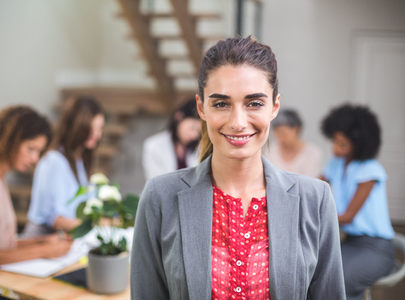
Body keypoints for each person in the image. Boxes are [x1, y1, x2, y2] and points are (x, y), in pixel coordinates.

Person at [131, 36, 345, 300]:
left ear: (274, 107)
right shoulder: (160, 197)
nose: (238, 122)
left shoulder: (316, 200)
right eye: (221, 104)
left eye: (254, 103)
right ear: (201, 108)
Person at [0, 106, 72, 300]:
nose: (35, 159)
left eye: (38, 152)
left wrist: (42, 241)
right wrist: (44, 250)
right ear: (10, 141)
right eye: (31, 149)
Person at [321, 103, 395, 300]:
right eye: (334, 142)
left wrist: (314, 218)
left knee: (341, 282)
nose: (335, 148)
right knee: (318, 277)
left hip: (376, 249)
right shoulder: (335, 163)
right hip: (349, 243)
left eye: (342, 144)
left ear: (359, 144)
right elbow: (313, 188)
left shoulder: (370, 170)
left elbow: (348, 217)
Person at [23, 96, 105, 237]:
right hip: (43, 242)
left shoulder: (79, 161)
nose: (97, 134)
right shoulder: (54, 161)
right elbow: (56, 220)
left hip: (67, 241)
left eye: (100, 128)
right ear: (78, 127)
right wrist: (98, 224)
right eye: (92, 128)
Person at [142, 98, 201, 180]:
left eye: (199, 132)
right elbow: (156, 183)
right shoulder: (153, 145)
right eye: (192, 128)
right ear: (179, 117)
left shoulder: (200, 147)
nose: (195, 135)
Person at [264, 109, 322, 177]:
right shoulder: (269, 152)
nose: (280, 139)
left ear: (296, 129)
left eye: (284, 134)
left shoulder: (312, 153)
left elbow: (310, 182)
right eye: (277, 133)